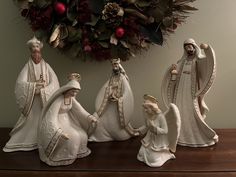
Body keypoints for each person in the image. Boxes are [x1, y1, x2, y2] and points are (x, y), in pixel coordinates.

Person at [3, 36, 59, 152]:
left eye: (38, 52)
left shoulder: (46, 66)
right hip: (33, 101)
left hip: (44, 100)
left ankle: (45, 139)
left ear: (41, 53)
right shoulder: (27, 67)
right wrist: (34, 87)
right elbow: (20, 83)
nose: (37, 55)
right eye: (34, 53)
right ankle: (27, 140)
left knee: (45, 120)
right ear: (31, 53)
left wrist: (45, 89)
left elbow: (54, 82)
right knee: (31, 120)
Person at [162, 38, 218, 147]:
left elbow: (209, 63)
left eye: (190, 46)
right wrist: (173, 71)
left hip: (191, 90)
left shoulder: (198, 60)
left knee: (191, 108)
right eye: (186, 47)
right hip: (180, 90)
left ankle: (192, 134)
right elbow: (175, 75)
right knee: (179, 108)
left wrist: (207, 49)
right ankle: (178, 133)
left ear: (194, 47)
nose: (189, 49)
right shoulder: (182, 61)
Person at [38, 73, 97, 166]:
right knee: (73, 137)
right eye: (73, 91)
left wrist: (90, 118)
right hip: (59, 122)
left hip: (68, 121)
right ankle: (62, 156)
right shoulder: (59, 100)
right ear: (68, 89)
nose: (74, 94)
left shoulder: (71, 99)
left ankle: (78, 152)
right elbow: (51, 116)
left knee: (82, 135)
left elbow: (80, 110)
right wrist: (58, 132)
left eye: (76, 92)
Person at [89, 58, 140, 142]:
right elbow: (105, 89)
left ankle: (114, 133)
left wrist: (119, 99)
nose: (114, 66)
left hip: (117, 107)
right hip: (109, 105)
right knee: (99, 120)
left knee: (117, 128)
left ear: (119, 66)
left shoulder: (122, 78)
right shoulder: (111, 78)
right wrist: (109, 91)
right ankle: (101, 136)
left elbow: (127, 92)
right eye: (113, 65)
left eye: (116, 65)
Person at [137, 94, 180, 167]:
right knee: (141, 153)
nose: (145, 110)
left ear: (152, 108)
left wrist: (155, 128)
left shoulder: (161, 117)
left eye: (146, 108)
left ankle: (165, 155)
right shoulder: (148, 115)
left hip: (157, 143)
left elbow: (165, 131)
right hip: (149, 141)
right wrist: (137, 130)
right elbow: (146, 126)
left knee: (153, 160)